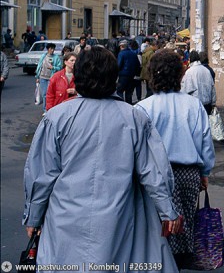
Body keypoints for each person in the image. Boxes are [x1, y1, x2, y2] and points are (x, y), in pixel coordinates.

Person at [23, 47, 182, 271]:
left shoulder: (56, 118)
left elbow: (41, 175)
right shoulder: (134, 118)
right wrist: (168, 211)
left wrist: (33, 216)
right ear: (114, 77)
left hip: (65, 218)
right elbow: (154, 171)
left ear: (77, 76)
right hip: (118, 219)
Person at [135, 49, 216, 268]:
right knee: (184, 225)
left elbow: (137, 149)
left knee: (157, 226)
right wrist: (205, 172)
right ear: (180, 75)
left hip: (155, 176)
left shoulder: (142, 108)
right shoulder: (193, 105)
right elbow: (205, 142)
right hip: (188, 174)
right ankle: (178, 264)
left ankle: (160, 264)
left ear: (152, 74)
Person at [181, 50, 216, 115]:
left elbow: (186, 90)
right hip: (207, 104)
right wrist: (213, 103)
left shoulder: (189, 72)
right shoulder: (206, 70)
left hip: (195, 104)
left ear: (190, 59)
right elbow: (212, 87)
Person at [35, 43, 62, 112]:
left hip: (51, 78)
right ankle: (45, 110)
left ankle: (51, 108)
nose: (52, 50)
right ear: (48, 49)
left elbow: (60, 67)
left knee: (50, 94)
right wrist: (37, 77)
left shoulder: (56, 57)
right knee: (44, 94)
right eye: (51, 49)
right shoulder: (43, 56)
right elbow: (39, 67)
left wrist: (53, 67)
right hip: (43, 77)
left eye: (53, 49)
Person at [117, 39, 140, 104]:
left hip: (123, 75)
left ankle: (121, 105)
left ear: (121, 46)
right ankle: (128, 105)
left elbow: (119, 65)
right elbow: (137, 64)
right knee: (129, 93)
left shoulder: (121, 54)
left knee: (120, 91)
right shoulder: (133, 53)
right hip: (132, 76)